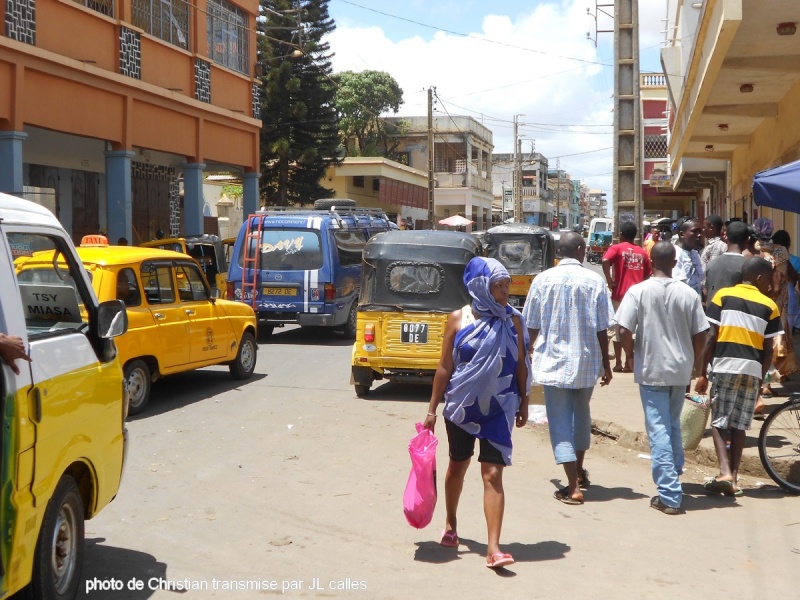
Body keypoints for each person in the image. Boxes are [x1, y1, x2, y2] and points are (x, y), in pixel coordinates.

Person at [423, 257, 529, 570]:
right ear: (480, 286)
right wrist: (432, 409)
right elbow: (445, 367)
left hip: (500, 408)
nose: (504, 291)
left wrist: (524, 402)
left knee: (493, 473)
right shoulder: (459, 319)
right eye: (497, 285)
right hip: (461, 407)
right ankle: (451, 524)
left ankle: (494, 548)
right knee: (457, 466)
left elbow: (521, 364)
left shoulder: (514, 320)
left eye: (506, 284)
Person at [615, 242, 709, 514]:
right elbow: (701, 334)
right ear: (675, 260)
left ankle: (668, 494)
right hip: (680, 369)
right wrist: (694, 360)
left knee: (658, 428)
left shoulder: (638, 291)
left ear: (650, 260)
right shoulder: (688, 293)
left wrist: (631, 355)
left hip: (652, 369)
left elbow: (622, 330)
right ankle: (674, 472)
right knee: (672, 424)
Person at [523, 232, 613, 505]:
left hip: (552, 362)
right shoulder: (594, 280)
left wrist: (525, 354)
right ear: (581, 250)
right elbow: (602, 327)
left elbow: (531, 325)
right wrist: (606, 364)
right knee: (581, 417)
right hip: (586, 362)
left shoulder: (542, 280)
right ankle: (579, 474)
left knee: (560, 422)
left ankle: (573, 486)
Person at [694, 257, 781, 496]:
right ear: (760, 278)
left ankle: (724, 472)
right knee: (740, 425)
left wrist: (702, 373)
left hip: (725, 366)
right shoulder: (769, 306)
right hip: (752, 370)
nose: (770, 285)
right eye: (769, 279)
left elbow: (711, 337)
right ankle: (733, 479)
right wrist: (760, 379)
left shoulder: (722, 296)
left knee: (720, 421)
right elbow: (768, 349)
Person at [601, 221, 651, 372]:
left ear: (621, 235)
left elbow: (605, 260)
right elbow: (649, 275)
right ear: (635, 236)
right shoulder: (642, 253)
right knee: (634, 330)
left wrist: (609, 281)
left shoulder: (616, 248)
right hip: (637, 297)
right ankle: (632, 362)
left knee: (618, 329)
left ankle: (618, 363)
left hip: (619, 295)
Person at [768, 229, 799, 384]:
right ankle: (778, 373)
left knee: (772, 339)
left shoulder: (763, 252)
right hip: (782, 303)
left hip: (767, 301)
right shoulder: (782, 253)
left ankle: (772, 377)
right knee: (780, 339)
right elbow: (793, 275)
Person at [704, 220, 748, 305]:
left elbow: (706, 292)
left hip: (712, 315)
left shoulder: (712, 264)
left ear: (726, 237)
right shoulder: (747, 266)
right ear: (747, 240)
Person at [673, 218, 704, 296]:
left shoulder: (695, 254)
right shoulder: (675, 254)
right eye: (695, 232)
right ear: (682, 234)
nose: (699, 235)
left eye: (700, 231)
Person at [700, 215, 727, 279]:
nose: (703, 230)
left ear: (711, 228)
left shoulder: (716, 246)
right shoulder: (711, 245)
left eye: (704, 227)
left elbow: (712, 269)